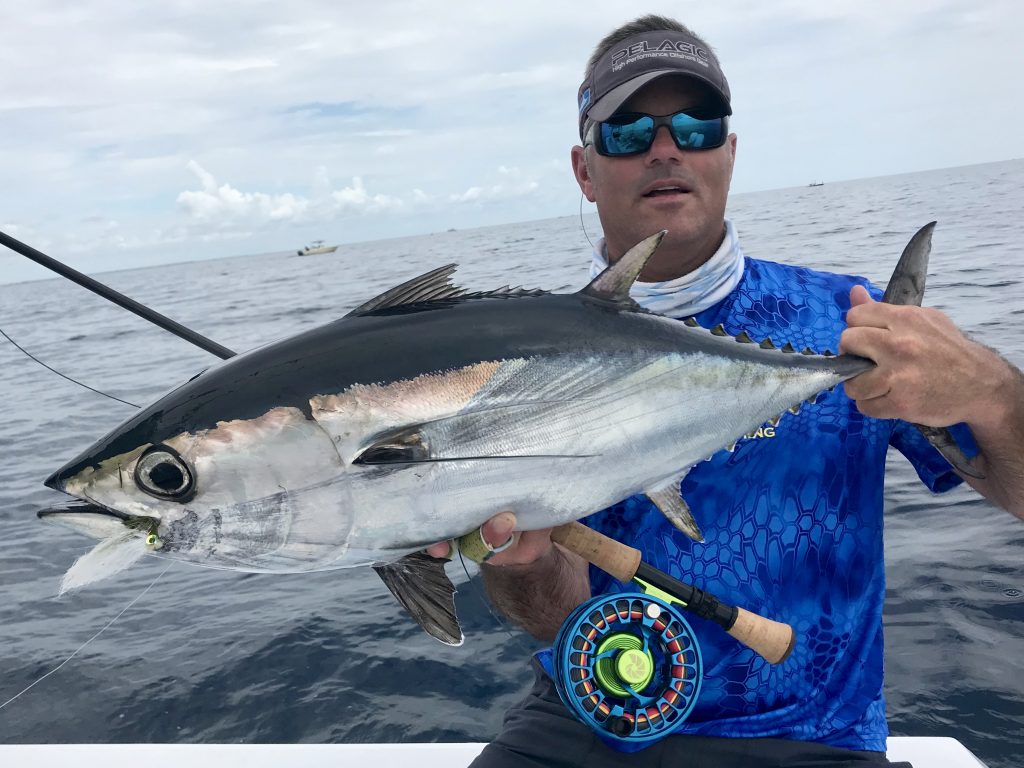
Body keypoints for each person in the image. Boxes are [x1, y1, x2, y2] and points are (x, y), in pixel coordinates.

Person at [429, 14, 1024, 767]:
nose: (666, 148)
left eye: (697, 125)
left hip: (811, 739)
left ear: (730, 151)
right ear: (585, 168)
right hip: (582, 720)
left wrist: (994, 393)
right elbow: (554, 614)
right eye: (627, 132)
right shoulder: (527, 364)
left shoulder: (849, 322)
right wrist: (520, 561)